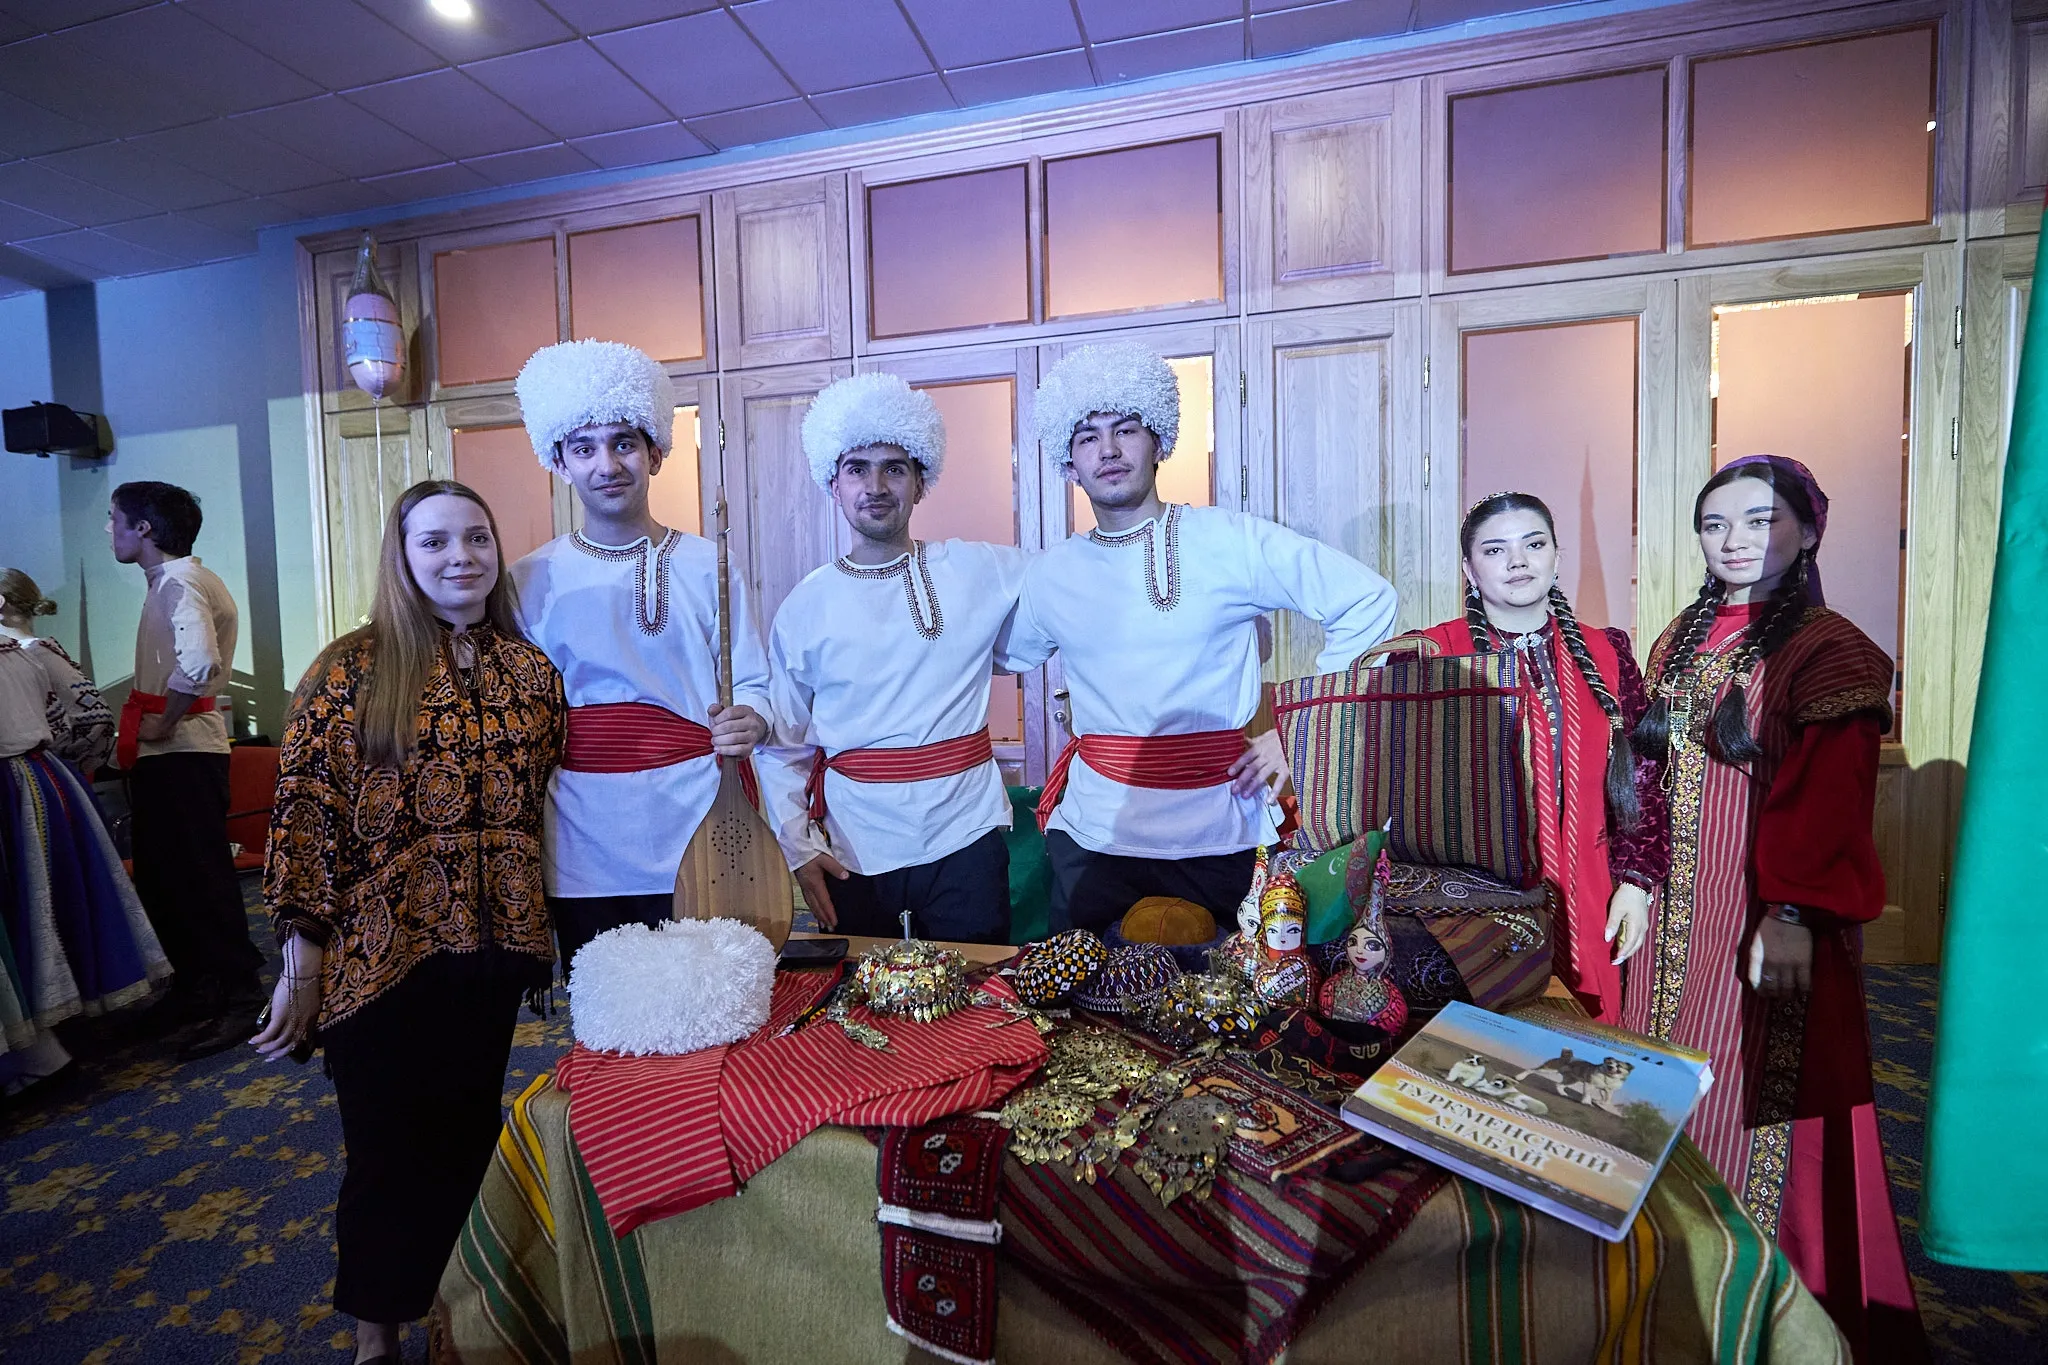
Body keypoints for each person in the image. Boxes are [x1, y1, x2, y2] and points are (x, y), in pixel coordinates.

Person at [1620, 456, 1927, 1363]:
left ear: (1808, 529)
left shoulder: (1831, 650)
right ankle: (1662, 1293)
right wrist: (1635, 874)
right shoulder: (1678, 638)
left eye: (1760, 520)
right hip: (1673, 917)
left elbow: (1828, 800)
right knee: (1659, 1082)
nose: (1735, 540)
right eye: (1716, 523)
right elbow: (1647, 768)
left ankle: (1764, 1310)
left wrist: (1791, 912)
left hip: (1763, 915)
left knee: (1754, 1100)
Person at [252, 480, 562, 1365]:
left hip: (491, 954)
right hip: (380, 955)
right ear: (403, 556)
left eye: (476, 537)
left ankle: (461, 1318)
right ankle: (375, 1336)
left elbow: (545, 799)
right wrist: (301, 968)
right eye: (435, 541)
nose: (461, 556)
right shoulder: (349, 669)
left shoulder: (530, 672)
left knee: (467, 1142)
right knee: (385, 1153)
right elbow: (306, 819)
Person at [1007, 343, 1399, 931]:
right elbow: (989, 655)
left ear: (1158, 440)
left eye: (1125, 430)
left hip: (1221, 832)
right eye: (1088, 437)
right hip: (1093, 836)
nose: (1108, 450)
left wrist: (1297, 734)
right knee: (1086, 988)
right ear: (1070, 461)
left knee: (1227, 988)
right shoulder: (1050, 573)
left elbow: (1368, 601)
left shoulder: (1230, 540)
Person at [508, 340, 771, 969]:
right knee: (604, 1000)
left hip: (698, 815)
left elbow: (757, 682)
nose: (607, 464)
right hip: (582, 833)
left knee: (709, 993)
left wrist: (755, 719)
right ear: (559, 462)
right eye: (584, 448)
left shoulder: (710, 563)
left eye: (624, 443)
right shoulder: (527, 579)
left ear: (655, 453)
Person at [757, 373, 1029, 943]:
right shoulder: (805, 606)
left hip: (966, 836)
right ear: (833, 483)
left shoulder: (979, 569)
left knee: (978, 990)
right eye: (857, 468)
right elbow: (782, 745)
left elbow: (1076, 589)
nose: (875, 486)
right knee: (863, 996)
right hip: (855, 847)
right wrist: (798, 848)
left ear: (920, 482)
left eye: (895, 469)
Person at [1405, 493, 1668, 1023]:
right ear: (1469, 569)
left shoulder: (1606, 651)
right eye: (1495, 550)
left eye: (1533, 544)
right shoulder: (1430, 654)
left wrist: (1636, 883)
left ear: (1556, 555)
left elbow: (1643, 775)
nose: (1517, 561)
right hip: (1471, 900)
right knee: (1485, 1048)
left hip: (1589, 887)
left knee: (1583, 1050)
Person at [108, 481, 264, 1057]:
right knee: (166, 878)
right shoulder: (176, 580)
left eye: (114, 519)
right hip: (175, 755)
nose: (109, 530)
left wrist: (166, 719)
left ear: (143, 528)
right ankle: (197, 988)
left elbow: (199, 661)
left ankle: (239, 994)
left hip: (183, 753)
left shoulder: (180, 582)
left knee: (198, 877)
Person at [0, 568, 167, 1094]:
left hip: (24, 781)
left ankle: (44, 1040)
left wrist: (77, 758)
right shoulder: (22, 654)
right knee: (51, 899)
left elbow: (91, 718)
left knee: (37, 902)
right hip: (44, 776)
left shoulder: (28, 652)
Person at [0, 568, 115, 775]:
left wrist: (63, 758)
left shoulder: (36, 654)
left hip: (33, 768)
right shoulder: (24, 653)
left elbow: (96, 717)